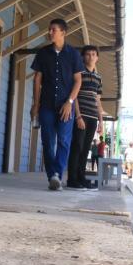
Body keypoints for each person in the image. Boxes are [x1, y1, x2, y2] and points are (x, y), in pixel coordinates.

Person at [30, 19, 84, 191]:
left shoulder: (73, 54)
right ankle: (52, 176)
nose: (50, 32)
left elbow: (78, 81)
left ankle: (57, 175)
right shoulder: (43, 53)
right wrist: (35, 104)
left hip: (65, 105)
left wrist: (70, 102)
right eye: (49, 29)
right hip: (46, 104)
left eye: (54, 30)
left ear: (63, 32)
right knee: (47, 141)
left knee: (63, 140)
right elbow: (37, 79)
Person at [66, 45, 104, 189]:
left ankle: (82, 178)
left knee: (86, 148)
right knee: (77, 146)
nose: (90, 57)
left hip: (93, 117)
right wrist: (78, 116)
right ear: (83, 57)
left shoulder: (98, 78)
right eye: (87, 54)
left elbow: (98, 100)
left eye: (93, 54)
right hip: (81, 116)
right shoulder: (79, 73)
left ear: (97, 58)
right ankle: (72, 179)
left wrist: (101, 121)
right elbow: (74, 95)